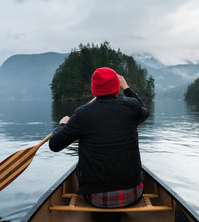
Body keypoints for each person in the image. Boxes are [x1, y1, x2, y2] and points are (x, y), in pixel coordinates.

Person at [49, 67, 149, 210]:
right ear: (116, 88)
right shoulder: (131, 106)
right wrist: (126, 87)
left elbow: (54, 145)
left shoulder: (82, 113)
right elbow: (144, 110)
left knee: (79, 165)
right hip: (134, 195)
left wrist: (62, 124)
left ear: (94, 90)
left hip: (97, 200)